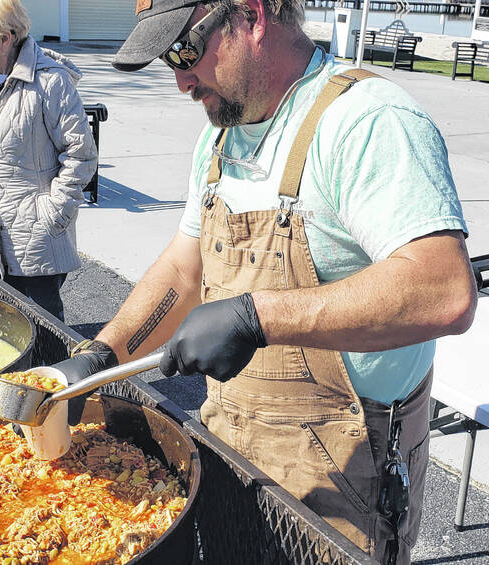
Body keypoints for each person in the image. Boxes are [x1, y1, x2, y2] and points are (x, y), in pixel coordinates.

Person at [55, 0, 478, 563]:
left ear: (251, 16)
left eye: (184, 50)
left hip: (345, 463)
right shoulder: (221, 136)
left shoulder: (366, 120)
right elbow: (185, 268)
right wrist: (102, 355)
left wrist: (257, 317)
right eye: (166, 60)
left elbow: (443, 290)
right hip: (235, 441)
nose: (181, 80)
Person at [0, 0, 97, 321]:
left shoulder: (51, 83)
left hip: (35, 238)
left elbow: (80, 155)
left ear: (5, 38)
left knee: (43, 338)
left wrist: (53, 214)